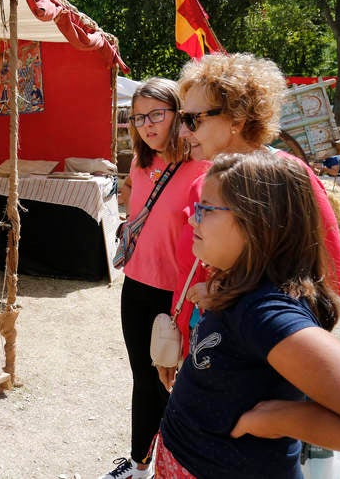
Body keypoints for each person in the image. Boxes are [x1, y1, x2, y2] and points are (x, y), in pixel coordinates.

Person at [160, 53, 340, 390]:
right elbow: (190, 274)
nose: (184, 132)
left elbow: (333, 283)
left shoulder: (288, 180)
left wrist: (227, 294)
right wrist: (180, 342)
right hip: (205, 350)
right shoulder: (202, 183)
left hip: (256, 369)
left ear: (237, 117)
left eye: (193, 120)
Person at [156, 151, 340, 478]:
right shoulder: (242, 287)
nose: (191, 220)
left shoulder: (265, 310)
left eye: (206, 209)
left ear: (258, 223)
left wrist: (277, 420)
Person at [100, 78, 210, 479]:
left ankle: (173, 464)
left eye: (156, 115)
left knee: (175, 382)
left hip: (178, 293)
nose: (146, 124)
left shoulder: (203, 167)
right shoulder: (140, 162)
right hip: (136, 285)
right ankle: (139, 464)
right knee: (143, 377)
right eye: (138, 117)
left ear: (178, 114)